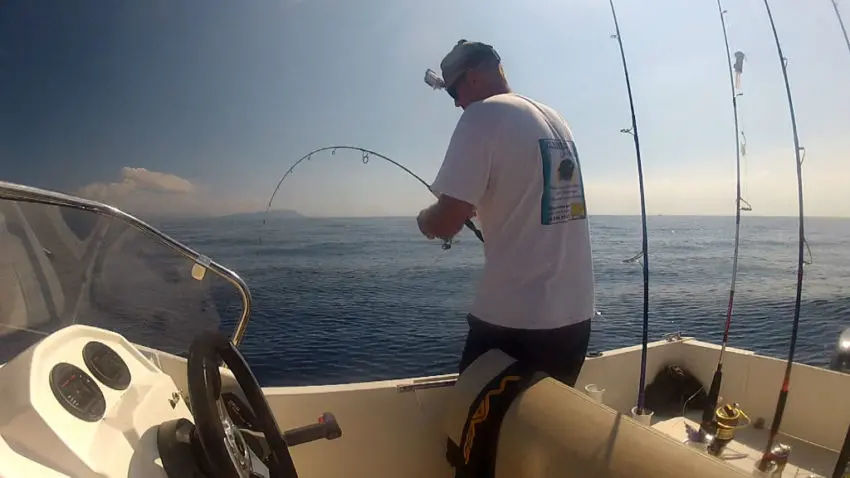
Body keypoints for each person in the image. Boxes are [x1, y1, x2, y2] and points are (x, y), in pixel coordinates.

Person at [416, 40, 595, 387]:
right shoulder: (555, 119)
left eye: (453, 89)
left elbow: (449, 219)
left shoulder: (482, 115)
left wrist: (425, 219)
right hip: (574, 321)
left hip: (515, 325)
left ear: (472, 78)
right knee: (533, 435)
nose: (455, 102)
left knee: (473, 436)